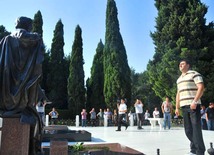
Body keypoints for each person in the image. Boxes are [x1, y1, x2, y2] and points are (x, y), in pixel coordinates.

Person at [0, 16, 44, 154]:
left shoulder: (5, 40)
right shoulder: (34, 39)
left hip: (6, 92)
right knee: (34, 117)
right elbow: (37, 62)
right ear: (27, 26)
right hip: (24, 93)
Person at [175, 59, 205, 155]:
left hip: (193, 105)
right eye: (180, 64)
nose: (180, 65)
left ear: (188, 65)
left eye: (183, 64)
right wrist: (176, 107)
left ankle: (199, 151)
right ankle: (195, 148)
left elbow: (201, 87)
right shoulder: (179, 79)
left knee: (196, 128)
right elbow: (178, 94)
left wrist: (195, 101)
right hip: (184, 106)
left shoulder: (194, 74)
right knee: (188, 130)